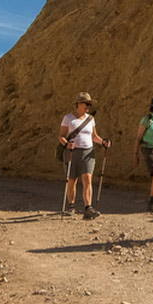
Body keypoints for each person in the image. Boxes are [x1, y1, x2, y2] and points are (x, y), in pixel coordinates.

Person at [59, 92, 111, 220]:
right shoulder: (68, 118)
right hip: (72, 152)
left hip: (88, 152)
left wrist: (103, 142)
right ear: (79, 104)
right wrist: (67, 144)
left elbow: (94, 136)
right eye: (86, 104)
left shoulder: (90, 119)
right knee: (72, 180)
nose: (88, 106)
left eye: (90, 104)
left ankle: (88, 208)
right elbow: (61, 136)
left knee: (87, 178)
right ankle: (71, 206)